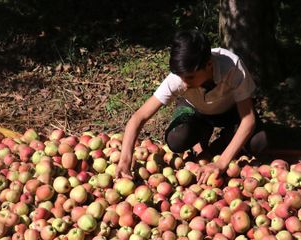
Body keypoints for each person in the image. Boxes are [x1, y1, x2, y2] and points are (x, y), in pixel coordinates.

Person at [115, 29, 268, 184]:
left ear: (208, 64)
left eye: (190, 77)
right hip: (196, 111)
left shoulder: (232, 68)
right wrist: (125, 160)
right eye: (181, 77)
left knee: (259, 142)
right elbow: (138, 117)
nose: (184, 83)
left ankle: (220, 143)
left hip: (230, 111)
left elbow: (248, 120)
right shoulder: (179, 77)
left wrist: (220, 163)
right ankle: (203, 135)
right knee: (176, 139)